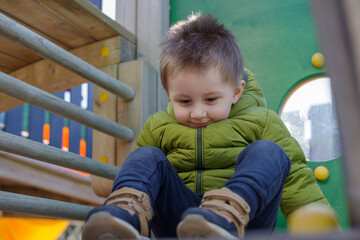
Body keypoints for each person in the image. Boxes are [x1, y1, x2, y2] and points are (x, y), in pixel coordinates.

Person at [82, 13, 331, 240]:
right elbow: (142, 176)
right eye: (184, 101)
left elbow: (296, 179)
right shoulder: (158, 127)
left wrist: (318, 227)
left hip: (246, 225)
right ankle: (123, 217)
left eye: (211, 99)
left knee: (270, 152)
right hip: (178, 225)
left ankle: (225, 218)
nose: (198, 112)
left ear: (236, 91)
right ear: (168, 93)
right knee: (146, 156)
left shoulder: (261, 121)